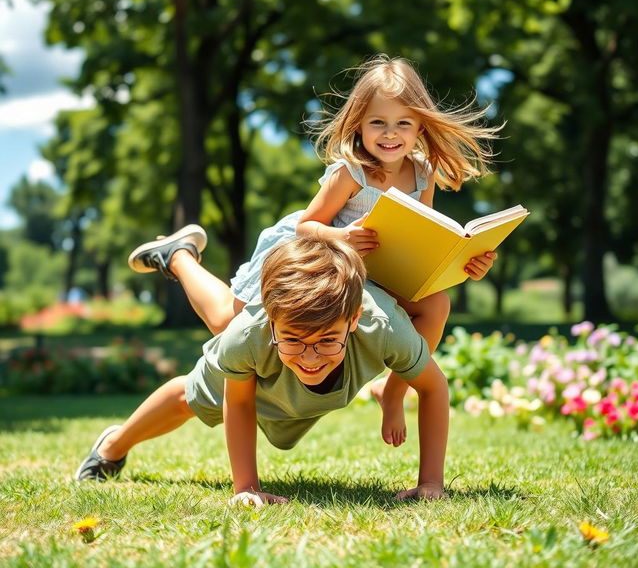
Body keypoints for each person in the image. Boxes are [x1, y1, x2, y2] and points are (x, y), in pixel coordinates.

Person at [129, 55, 498, 448]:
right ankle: (179, 256)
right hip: (316, 254)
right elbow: (308, 225)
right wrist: (341, 238)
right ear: (358, 123)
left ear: (420, 125)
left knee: (436, 306)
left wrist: (462, 262)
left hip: (374, 269)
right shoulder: (350, 171)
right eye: (378, 122)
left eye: (403, 123)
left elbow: (423, 236)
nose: (390, 134)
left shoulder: (422, 173)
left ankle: (393, 392)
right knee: (226, 323)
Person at [75, 237, 450, 504]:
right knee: (190, 397)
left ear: (353, 320)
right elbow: (237, 405)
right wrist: (246, 488)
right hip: (262, 360)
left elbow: (434, 388)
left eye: (326, 340)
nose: (310, 357)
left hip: (298, 365)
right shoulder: (246, 335)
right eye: (295, 340)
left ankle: (179, 255)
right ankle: (113, 445)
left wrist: (431, 482)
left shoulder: (383, 326)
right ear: (270, 319)